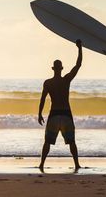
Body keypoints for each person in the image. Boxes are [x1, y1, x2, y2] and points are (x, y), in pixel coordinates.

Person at [38, 39, 82, 172]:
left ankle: (41, 164)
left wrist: (39, 113)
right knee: (72, 142)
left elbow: (43, 99)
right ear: (61, 68)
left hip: (54, 115)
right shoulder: (66, 80)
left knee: (47, 142)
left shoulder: (48, 83)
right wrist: (80, 48)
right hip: (66, 115)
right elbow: (78, 65)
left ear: (53, 68)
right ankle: (76, 164)